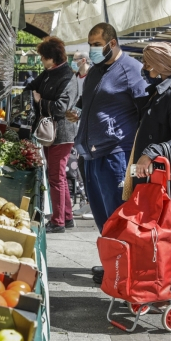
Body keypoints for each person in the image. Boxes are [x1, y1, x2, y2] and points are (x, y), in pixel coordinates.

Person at [66, 23, 149, 282]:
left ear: (111, 43)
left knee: (119, 214)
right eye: (89, 43)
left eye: (95, 44)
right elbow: (87, 100)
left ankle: (127, 272)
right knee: (103, 216)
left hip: (117, 154)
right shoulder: (96, 71)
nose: (91, 49)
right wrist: (77, 111)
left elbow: (145, 112)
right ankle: (113, 263)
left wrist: (143, 153)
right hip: (90, 153)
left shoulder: (132, 69)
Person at [128, 42, 171, 309]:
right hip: (154, 176)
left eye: (147, 63)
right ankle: (154, 290)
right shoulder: (158, 93)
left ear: (159, 66)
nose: (144, 68)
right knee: (154, 234)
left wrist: (154, 150)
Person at [25, 37, 79, 233]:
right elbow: (32, 87)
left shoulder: (67, 77)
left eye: (42, 58)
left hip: (61, 133)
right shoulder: (49, 73)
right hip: (50, 133)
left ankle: (58, 222)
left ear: (51, 57)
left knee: (56, 177)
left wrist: (40, 101)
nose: (41, 61)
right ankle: (66, 216)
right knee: (58, 177)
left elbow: (60, 107)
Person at [70, 51, 94, 220]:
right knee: (80, 164)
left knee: (87, 163)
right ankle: (88, 201)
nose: (73, 62)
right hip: (76, 125)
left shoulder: (93, 76)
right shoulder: (75, 78)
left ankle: (92, 204)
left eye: (75, 59)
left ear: (83, 60)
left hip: (90, 128)